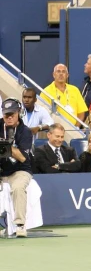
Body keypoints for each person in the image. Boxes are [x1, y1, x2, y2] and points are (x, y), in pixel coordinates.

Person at [0, 98, 33, 238]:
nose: (9, 117)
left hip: (19, 169)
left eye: (12, 114)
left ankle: (20, 225)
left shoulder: (25, 131)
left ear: (18, 112)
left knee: (18, 187)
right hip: (1, 169)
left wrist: (7, 146)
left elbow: (23, 157)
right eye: (6, 114)